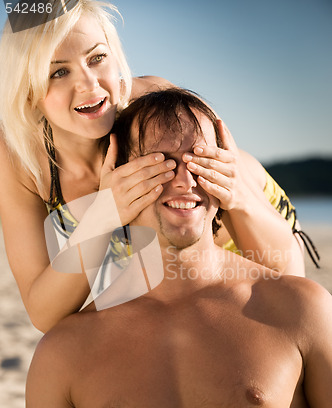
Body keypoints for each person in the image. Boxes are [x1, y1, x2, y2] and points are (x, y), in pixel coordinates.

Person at [18, 89, 332, 408]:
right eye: (160, 165)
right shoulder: (65, 352)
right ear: (117, 178)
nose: (184, 181)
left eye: (201, 162)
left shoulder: (301, 309)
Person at [0, 0, 307, 334]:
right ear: (27, 90)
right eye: (58, 72)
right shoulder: (19, 156)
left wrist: (236, 195)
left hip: (244, 213)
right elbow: (44, 313)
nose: (90, 85)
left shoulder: (152, 102)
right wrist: (105, 214)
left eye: (97, 57)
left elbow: (288, 276)